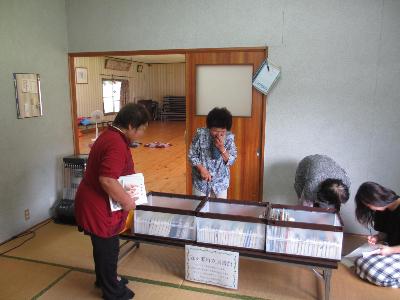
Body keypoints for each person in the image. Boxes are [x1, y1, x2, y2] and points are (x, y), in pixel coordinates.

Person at [75, 103, 150, 300]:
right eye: (142, 129)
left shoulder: (110, 135)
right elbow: (107, 179)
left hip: (94, 200)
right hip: (98, 205)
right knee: (108, 249)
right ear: (131, 126)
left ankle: (105, 279)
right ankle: (112, 292)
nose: (142, 133)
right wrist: (127, 201)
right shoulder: (116, 143)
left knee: (102, 247)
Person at [354, 182, 400, 287]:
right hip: (391, 247)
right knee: (360, 260)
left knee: (376, 273)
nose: (371, 209)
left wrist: (390, 250)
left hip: (394, 249)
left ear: (376, 199)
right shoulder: (382, 209)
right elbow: (386, 232)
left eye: (369, 205)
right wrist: (377, 237)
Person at [188, 107, 237, 199]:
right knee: (200, 210)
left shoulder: (229, 138)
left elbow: (231, 160)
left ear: (226, 129)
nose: (218, 134)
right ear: (209, 127)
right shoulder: (200, 135)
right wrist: (202, 169)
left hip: (220, 183)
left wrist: (222, 148)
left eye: (222, 131)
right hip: (201, 182)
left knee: (219, 211)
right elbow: (192, 155)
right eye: (215, 131)